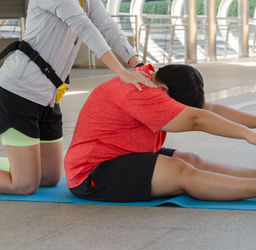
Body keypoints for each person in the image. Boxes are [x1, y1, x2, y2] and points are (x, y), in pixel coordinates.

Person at [64, 64, 256, 203]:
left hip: (124, 155)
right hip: (93, 173)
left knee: (192, 160)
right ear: (164, 90)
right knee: (182, 172)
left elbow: (208, 109)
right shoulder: (138, 91)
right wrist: (246, 135)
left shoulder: (153, 82)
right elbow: (197, 119)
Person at [0, 0, 155, 195]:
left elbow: (107, 27)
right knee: (24, 185)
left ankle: (21, 164)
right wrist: (121, 72)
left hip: (48, 99)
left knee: (49, 178)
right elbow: (85, 27)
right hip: (18, 93)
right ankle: (22, 168)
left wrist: (138, 64)